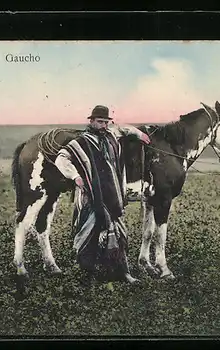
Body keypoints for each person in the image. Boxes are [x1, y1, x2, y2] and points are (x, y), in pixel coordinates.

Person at [54, 105, 151, 284]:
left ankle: (123, 272)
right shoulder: (80, 142)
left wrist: (139, 134)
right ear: (91, 121)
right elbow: (61, 158)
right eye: (100, 122)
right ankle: (88, 275)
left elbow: (124, 128)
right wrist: (75, 176)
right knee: (89, 234)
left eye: (106, 122)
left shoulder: (112, 137)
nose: (104, 126)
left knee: (119, 235)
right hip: (91, 197)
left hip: (113, 197)